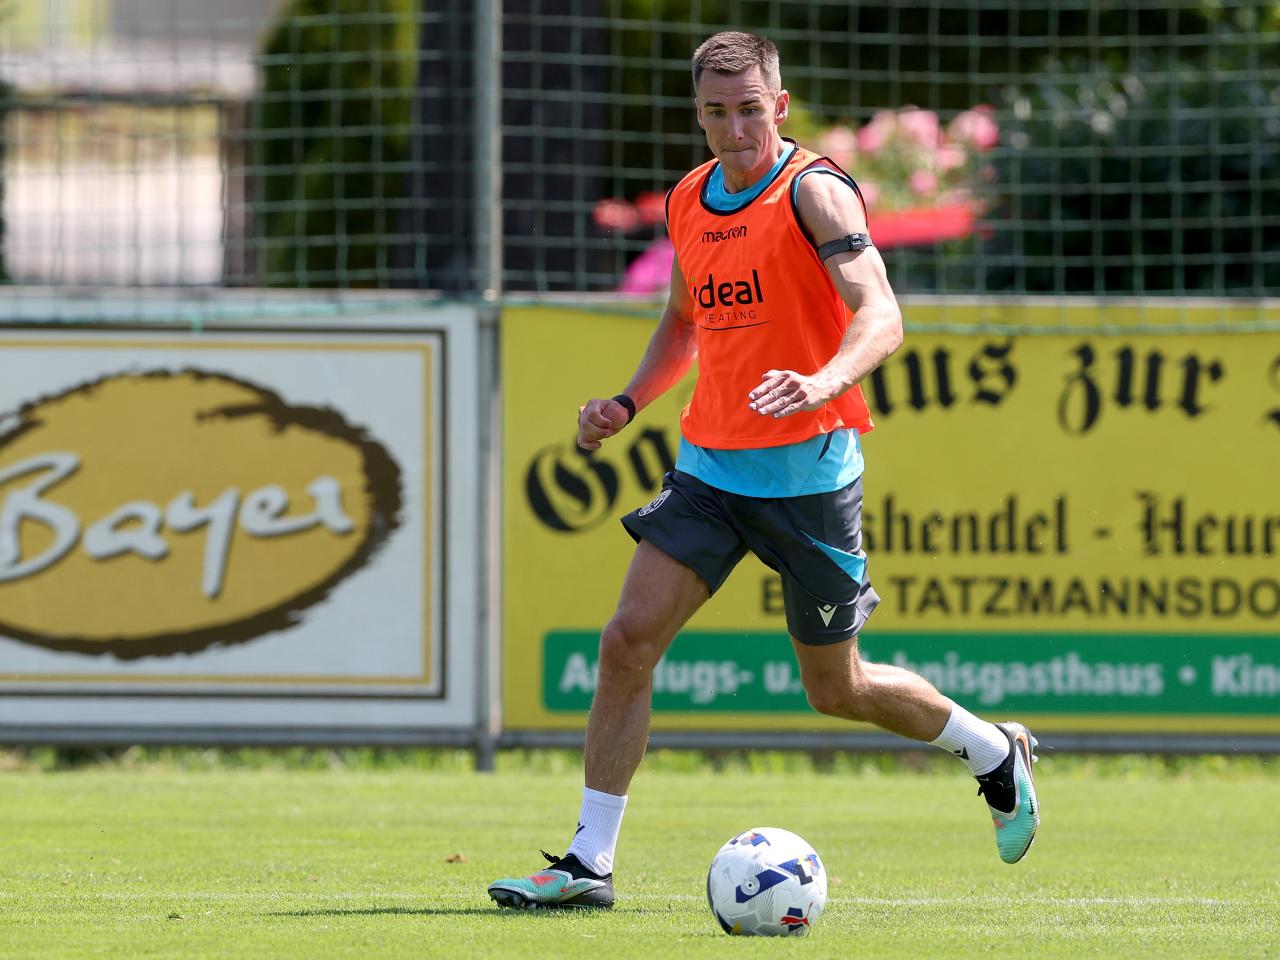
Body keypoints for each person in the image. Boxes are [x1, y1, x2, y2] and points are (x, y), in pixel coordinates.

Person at [488, 30, 1038, 911]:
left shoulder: (814, 192)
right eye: (717, 111)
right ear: (698, 113)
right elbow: (682, 323)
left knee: (837, 687)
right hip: (710, 471)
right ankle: (589, 863)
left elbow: (881, 314)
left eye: (751, 109)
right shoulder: (687, 200)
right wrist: (628, 404)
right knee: (627, 642)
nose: (735, 129)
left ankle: (989, 750)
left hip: (810, 481)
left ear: (778, 107)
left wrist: (821, 380)